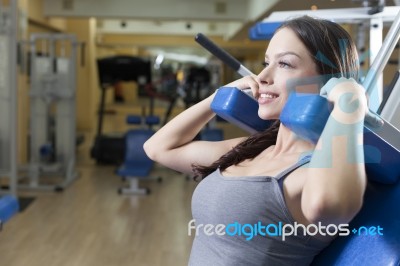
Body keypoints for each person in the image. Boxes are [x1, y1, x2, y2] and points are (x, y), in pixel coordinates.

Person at [144, 16, 368, 265]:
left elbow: (329, 205)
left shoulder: (311, 171)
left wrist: (349, 105)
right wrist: (221, 94)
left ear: (327, 82)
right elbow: (158, 148)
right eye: (265, 63)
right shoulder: (248, 149)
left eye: (284, 64)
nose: (262, 76)